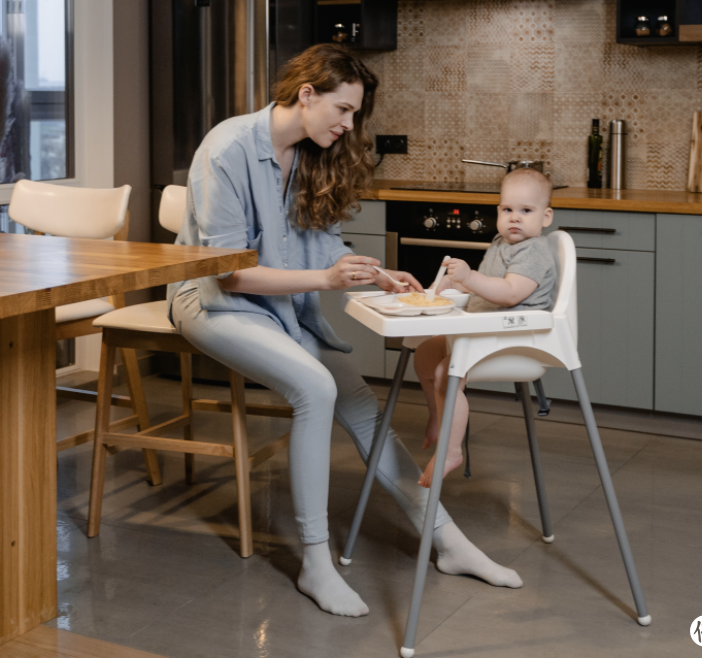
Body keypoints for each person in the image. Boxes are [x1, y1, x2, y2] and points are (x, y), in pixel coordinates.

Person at [168, 44, 522, 618]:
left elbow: (323, 245)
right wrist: (328, 279)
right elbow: (228, 275)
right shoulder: (227, 149)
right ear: (306, 94)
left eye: (355, 114)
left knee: (360, 403)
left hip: (279, 311)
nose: (348, 124)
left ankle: (447, 540)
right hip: (211, 304)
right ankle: (315, 562)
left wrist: (377, 274)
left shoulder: (308, 155)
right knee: (316, 388)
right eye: (344, 109)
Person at [414, 168, 556, 488]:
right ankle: (440, 417)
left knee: (446, 372)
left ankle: (451, 451)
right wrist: (455, 285)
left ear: (546, 217)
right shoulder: (501, 242)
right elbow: (487, 288)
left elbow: (508, 294)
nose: (514, 218)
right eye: (507, 210)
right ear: (498, 211)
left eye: (526, 211)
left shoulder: (532, 251)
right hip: (489, 328)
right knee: (425, 354)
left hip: (517, 335)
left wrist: (469, 278)